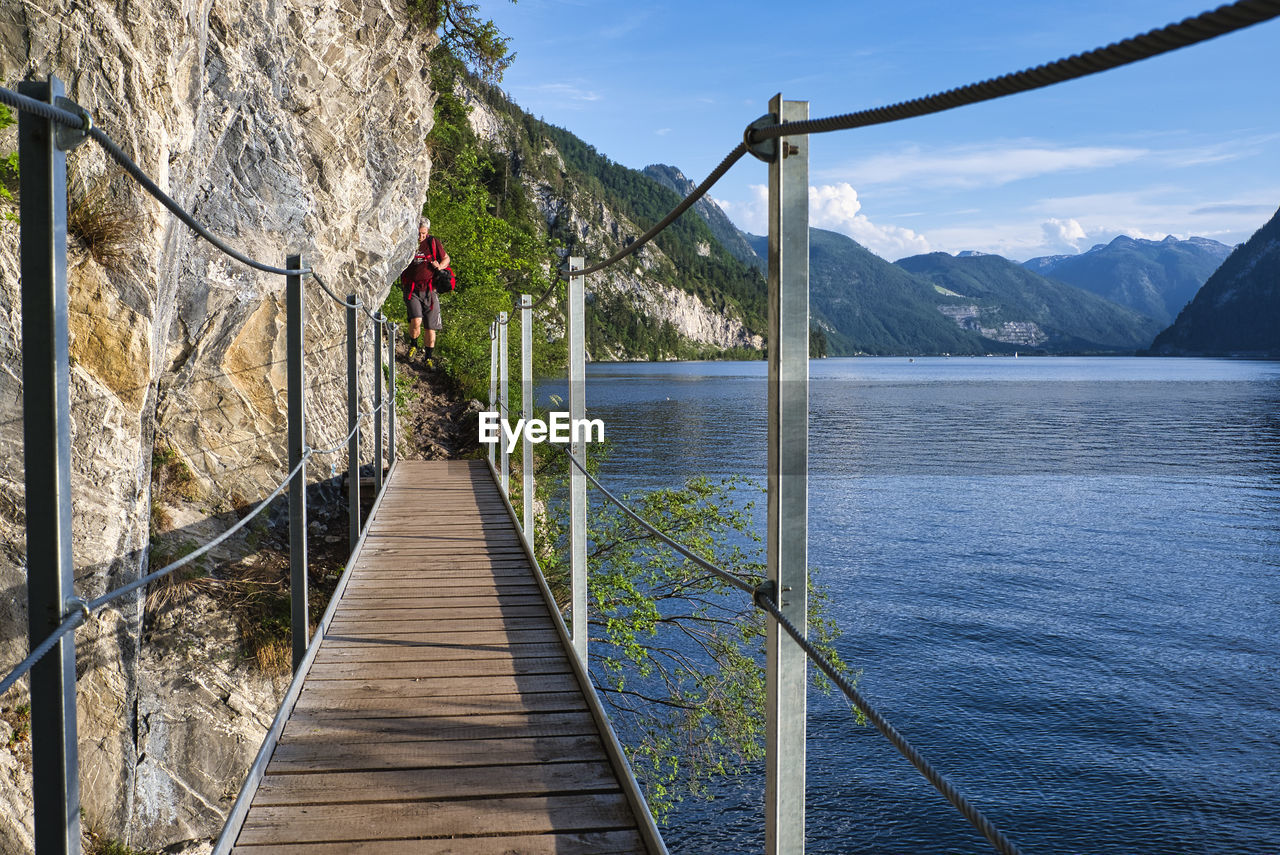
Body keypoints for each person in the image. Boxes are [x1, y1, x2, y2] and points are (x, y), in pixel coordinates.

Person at [400, 218, 453, 365]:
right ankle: (413, 345)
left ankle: (428, 358)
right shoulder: (408, 242)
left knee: (431, 326)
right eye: (418, 233)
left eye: (423, 233)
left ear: (427, 232)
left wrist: (440, 267)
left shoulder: (432, 243)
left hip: (430, 290)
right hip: (412, 289)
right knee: (416, 320)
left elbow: (446, 258)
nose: (420, 236)